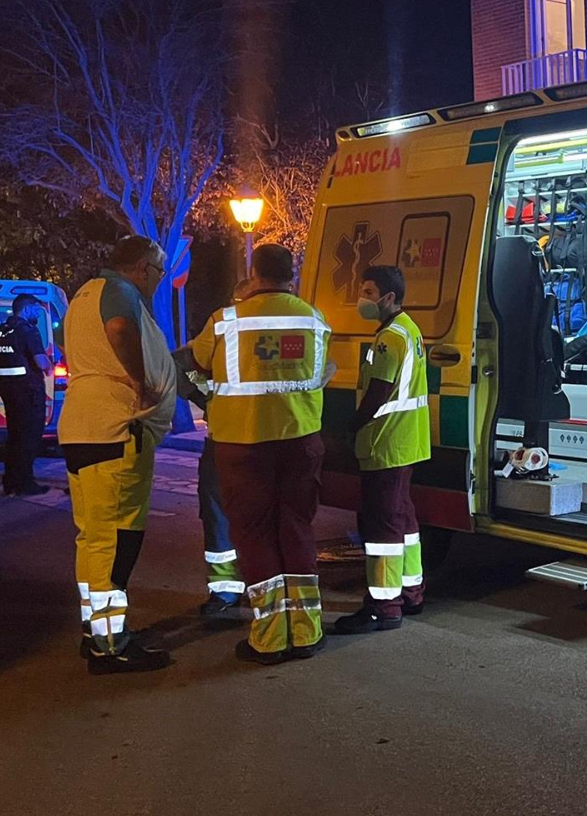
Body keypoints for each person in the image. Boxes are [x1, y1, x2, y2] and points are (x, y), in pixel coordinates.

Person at [184, 243, 333, 665]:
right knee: (297, 529)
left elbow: (196, 365)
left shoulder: (225, 321)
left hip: (243, 442)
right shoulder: (314, 319)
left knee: (254, 534)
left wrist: (211, 397)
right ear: (292, 274)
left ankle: (269, 638)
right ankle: (306, 632)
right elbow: (319, 372)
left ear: (254, 273)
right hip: (300, 438)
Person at [58, 235, 179, 675]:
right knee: (117, 539)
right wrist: (139, 381)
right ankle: (111, 645)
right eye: (159, 272)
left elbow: (66, 342)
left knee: (92, 537)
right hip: (115, 428)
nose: (159, 280)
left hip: (80, 425)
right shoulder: (121, 292)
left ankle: (95, 631)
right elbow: (120, 330)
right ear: (143, 267)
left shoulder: (83, 296)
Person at [333, 264, 431, 634]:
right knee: (403, 520)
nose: (363, 298)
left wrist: (352, 425)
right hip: (405, 441)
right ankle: (411, 592)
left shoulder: (390, 337)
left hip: (385, 442)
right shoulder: (409, 329)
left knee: (382, 526)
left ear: (389, 298)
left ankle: (383, 606)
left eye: (369, 292)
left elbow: (378, 392)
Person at [170, 277, 253, 621]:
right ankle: (251, 588)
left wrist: (205, 399)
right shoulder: (291, 326)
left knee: (220, 515)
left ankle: (226, 591)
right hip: (270, 440)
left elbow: (178, 364)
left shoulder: (222, 329)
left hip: (226, 440)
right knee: (251, 516)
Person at [0, 294, 51, 497]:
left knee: (14, 436)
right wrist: (49, 363)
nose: (38, 313)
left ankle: (10, 482)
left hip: (7, 391)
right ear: (27, 309)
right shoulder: (28, 331)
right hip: (29, 392)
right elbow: (42, 363)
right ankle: (25, 483)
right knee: (29, 438)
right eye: (36, 309)